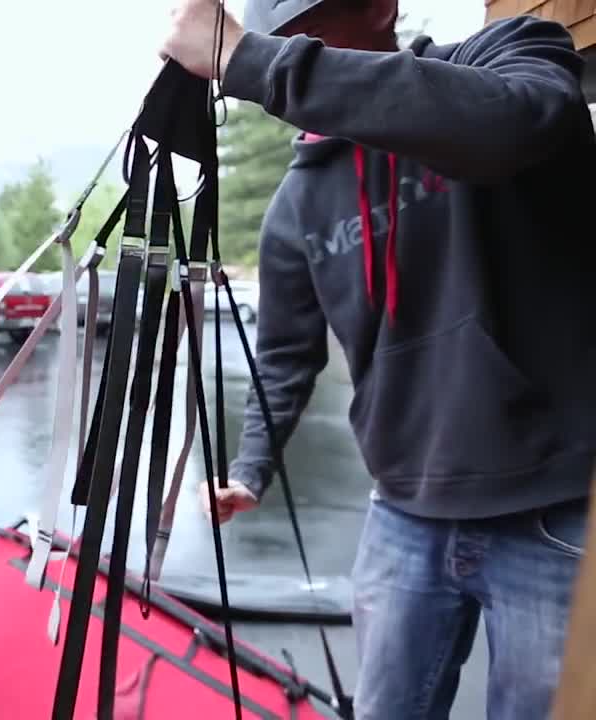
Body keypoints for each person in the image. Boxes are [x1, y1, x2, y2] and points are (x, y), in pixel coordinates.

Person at [159, 0, 596, 717]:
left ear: (379, 9)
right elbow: (283, 358)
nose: (298, 55)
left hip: (555, 511)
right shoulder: (299, 201)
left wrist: (249, 62)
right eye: (282, 40)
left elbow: (520, 123)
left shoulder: (509, 55)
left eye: (316, 27)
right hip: (402, 514)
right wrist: (249, 469)